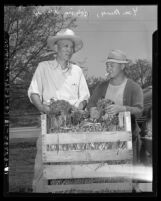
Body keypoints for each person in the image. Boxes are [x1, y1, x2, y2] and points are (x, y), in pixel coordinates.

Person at [28, 29, 90, 192]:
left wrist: (76, 110)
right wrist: (43, 108)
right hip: (49, 121)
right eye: (65, 46)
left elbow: (85, 96)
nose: (69, 50)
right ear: (56, 48)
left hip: (72, 125)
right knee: (43, 163)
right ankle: (40, 190)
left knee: (71, 165)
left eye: (71, 47)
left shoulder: (77, 71)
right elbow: (34, 92)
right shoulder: (43, 67)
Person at [87, 49, 144, 165]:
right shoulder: (101, 87)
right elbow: (91, 104)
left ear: (122, 66)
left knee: (128, 176)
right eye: (107, 66)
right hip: (105, 141)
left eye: (111, 65)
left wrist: (122, 109)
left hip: (128, 140)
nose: (108, 68)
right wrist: (93, 110)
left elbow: (139, 110)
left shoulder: (134, 87)